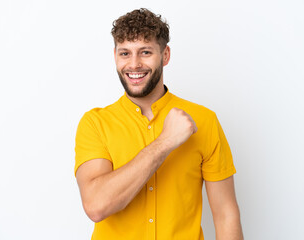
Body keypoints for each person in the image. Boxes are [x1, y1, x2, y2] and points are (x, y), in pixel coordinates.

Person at [74, 8, 244, 240]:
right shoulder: (95, 124)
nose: (134, 64)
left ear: (165, 55)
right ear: (115, 56)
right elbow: (96, 205)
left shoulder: (204, 120)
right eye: (125, 53)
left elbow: (226, 215)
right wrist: (165, 142)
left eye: (145, 52)